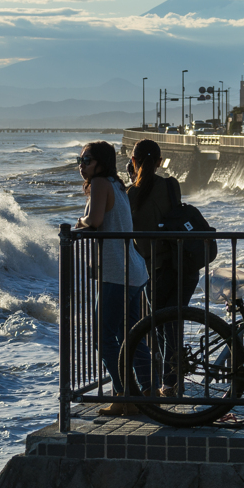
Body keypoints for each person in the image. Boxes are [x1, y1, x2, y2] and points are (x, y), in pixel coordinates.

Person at [75, 141, 151, 415]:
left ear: (101, 162)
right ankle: (148, 391)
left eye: (86, 159)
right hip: (134, 270)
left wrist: (79, 223)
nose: (81, 165)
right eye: (80, 159)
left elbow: (94, 221)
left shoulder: (99, 184)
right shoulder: (117, 185)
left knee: (103, 337)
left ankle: (123, 395)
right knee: (132, 336)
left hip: (117, 273)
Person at [126, 139, 200, 396]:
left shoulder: (130, 194)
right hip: (184, 263)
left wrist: (132, 177)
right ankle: (171, 383)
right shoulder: (171, 185)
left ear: (133, 161)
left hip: (156, 269)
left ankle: (167, 383)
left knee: (160, 325)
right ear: (160, 162)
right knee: (173, 323)